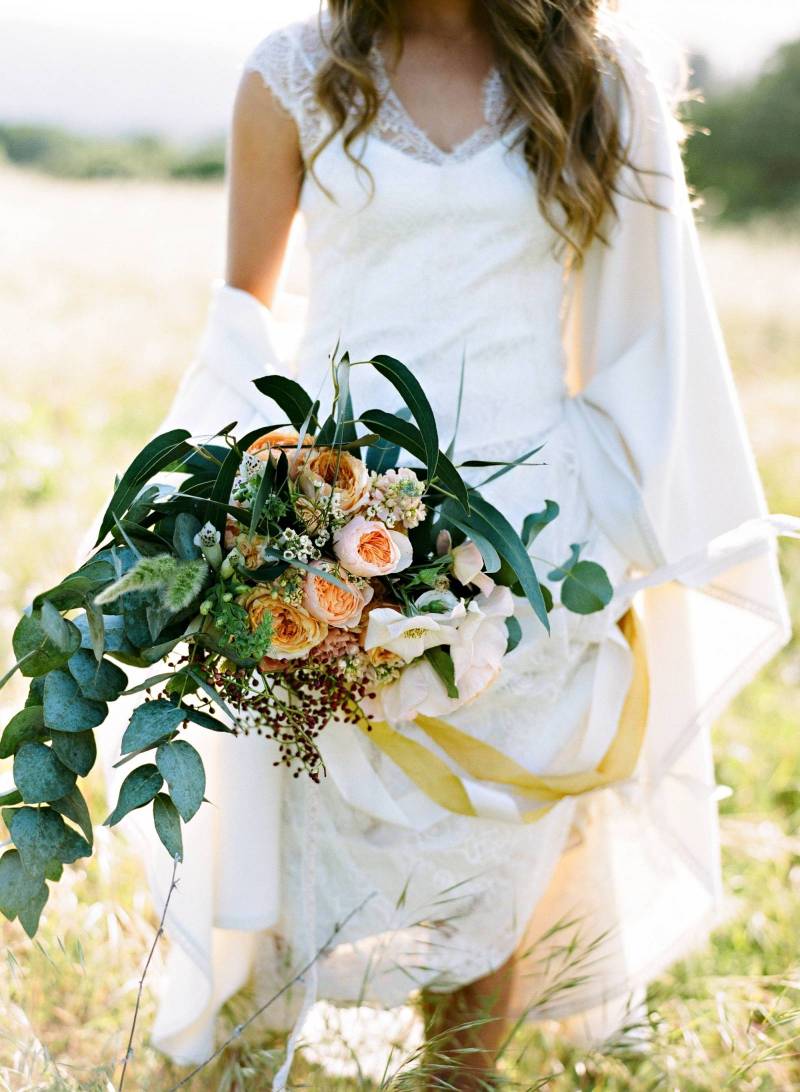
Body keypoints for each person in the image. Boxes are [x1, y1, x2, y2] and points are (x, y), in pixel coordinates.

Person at [128, 1, 793, 1086]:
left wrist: (608, 511)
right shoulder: (291, 75)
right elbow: (243, 319)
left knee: (493, 856)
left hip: (532, 530)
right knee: (310, 839)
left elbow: (643, 325)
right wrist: (238, 513)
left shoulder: (594, 73)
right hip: (331, 517)